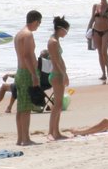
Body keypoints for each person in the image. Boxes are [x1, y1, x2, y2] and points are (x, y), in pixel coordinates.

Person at [13, 10, 44, 146]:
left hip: (20, 71)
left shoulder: (19, 34)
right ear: (35, 21)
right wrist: (34, 74)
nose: (39, 26)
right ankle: (25, 139)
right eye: (39, 23)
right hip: (26, 73)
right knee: (26, 108)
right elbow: (26, 55)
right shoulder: (28, 34)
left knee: (21, 107)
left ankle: (20, 138)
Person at [47, 16, 70, 140]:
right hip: (56, 75)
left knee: (59, 104)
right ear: (60, 29)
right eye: (66, 31)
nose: (66, 33)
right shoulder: (53, 42)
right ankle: (51, 132)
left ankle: (56, 131)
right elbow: (55, 61)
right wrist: (64, 74)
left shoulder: (56, 40)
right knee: (57, 105)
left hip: (58, 74)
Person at [87, 0, 108, 81]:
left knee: (104, 51)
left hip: (106, 31)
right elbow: (92, 19)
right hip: (96, 31)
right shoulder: (95, 6)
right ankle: (103, 73)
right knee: (99, 52)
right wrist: (88, 30)